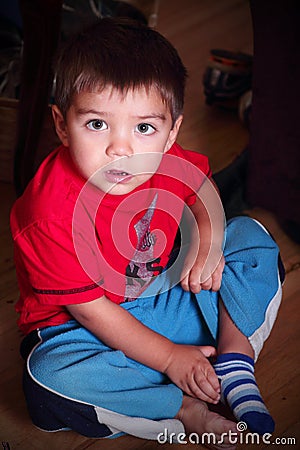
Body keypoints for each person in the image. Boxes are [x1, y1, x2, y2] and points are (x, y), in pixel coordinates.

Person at [10, 18, 283, 448]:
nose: (121, 148)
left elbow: (200, 191)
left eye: (144, 128)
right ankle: (181, 406)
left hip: (163, 296)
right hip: (83, 332)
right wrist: (170, 357)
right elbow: (89, 311)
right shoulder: (47, 213)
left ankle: (233, 360)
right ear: (62, 124)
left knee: (250, 237)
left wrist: (208, 242)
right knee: (48, 376)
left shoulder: (164, 157)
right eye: (97, 124)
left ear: (171, 131)